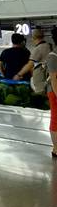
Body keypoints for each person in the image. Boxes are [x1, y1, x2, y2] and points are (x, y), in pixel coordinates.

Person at [46, 28, 57, 158]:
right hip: (54, 92)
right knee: (55, 118)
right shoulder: (53, 56)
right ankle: (56, 148)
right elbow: (54, 79)